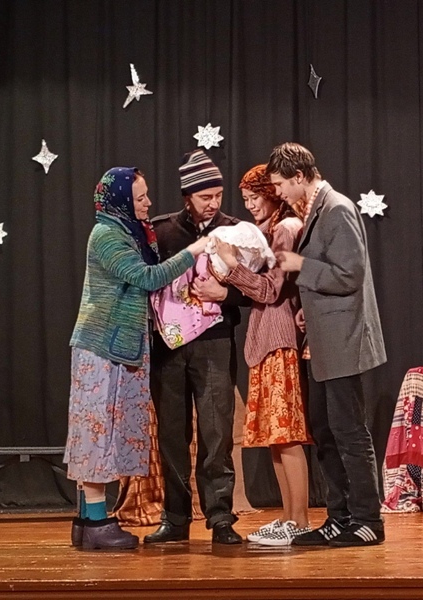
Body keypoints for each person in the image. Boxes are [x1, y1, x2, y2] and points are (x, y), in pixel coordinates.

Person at [65, 167, 209, 550]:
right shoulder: (107, 235)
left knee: (108, 430)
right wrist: (193, 252)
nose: (148, 203)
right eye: (140, 197)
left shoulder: (128, 232)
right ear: (121, 201)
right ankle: (96, 523)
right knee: (98, 433)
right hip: (103, 349)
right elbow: (146, 277)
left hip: (120, 348)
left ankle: (88, 521)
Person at [269, 142, 387, 547]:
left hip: (344, 340)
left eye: (281, 184)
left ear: (300, 176)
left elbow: (350, 274)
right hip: (322, 340)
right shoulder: (315, 210)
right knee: (324, 429)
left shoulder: (337, 208)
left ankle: (368, 519)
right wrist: (308, 309)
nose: (279, 192)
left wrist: (300, 265)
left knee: (349, 431)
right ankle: (340, 516)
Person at [143, 150, 246, 545]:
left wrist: (226, 294)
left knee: (216, 432)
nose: (213, 203)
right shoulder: (162, 231)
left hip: (214, 343)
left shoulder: (234, 231)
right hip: (168, 347)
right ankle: (175, 517)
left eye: (218, 195)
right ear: (188, 196)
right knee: (172, 433)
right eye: (205, 196)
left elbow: (258, 289)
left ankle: (220, 517)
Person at [212, 164, 311, 546]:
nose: (251, 205)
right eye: (247, 199)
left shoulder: (285, 229)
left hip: (280, 338)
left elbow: (271, 290)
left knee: (286, 434)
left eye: (255, 197)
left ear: (272, 193)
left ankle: (299, 520)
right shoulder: (267, 232)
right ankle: (288, 517)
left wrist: (233, 265)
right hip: (265, 338)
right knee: (274, 435)